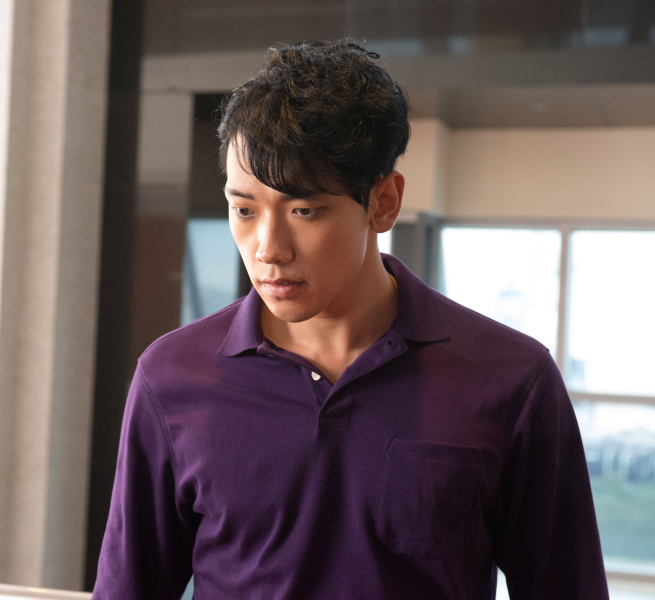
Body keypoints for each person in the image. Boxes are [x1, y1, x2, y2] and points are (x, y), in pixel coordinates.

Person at [92, 39, 608, 600]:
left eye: (304, 210)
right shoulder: (171, 377)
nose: (267, 249)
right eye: (244, 209)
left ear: (383, 202)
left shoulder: (512, 380)